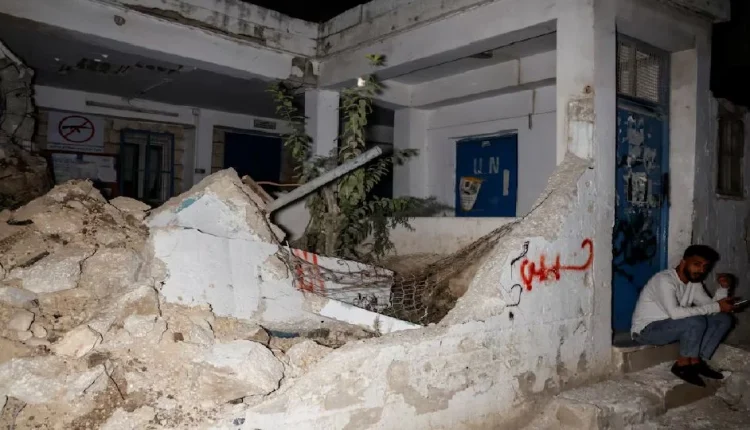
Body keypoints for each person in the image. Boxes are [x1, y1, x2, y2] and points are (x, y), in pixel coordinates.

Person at [631, 245, 737, 386]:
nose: (701, 270)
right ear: (683, 263)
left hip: (673, 326)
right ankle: (682, 365)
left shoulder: (694, 282)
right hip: (647, 331)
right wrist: (717, 306)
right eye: (697, 264)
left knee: (723, 319)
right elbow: (675, 313)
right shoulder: (664, 280)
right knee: (695, 321)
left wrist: (723, 289)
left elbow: (711, 309)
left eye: (705, 266)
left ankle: (697, 361)